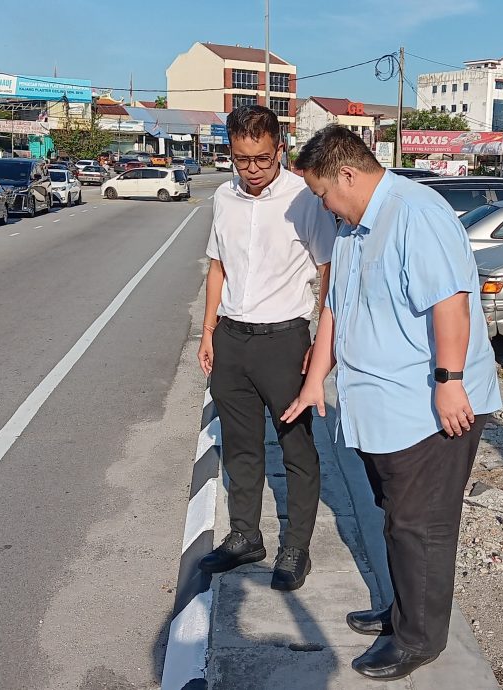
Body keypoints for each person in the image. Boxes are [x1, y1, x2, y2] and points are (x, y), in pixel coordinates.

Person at [282, 125, 502, 680]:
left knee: (420, 525)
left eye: (323, 193)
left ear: (349, 175)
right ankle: (405, 610)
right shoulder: (353, 228)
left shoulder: (415, 214)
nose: (322, 205)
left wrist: (449, 380)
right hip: (383, 409)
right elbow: (335, 305)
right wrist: (316, 379)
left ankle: (419, 639)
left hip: (428, 406)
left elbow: (450, 300)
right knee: (398, 518)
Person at [197, 106, 337, 591]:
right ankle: (244, 537)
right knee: (239, 446)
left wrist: (321, 341)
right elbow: (217, 266)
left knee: (297, 448)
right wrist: (208, 331)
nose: (252, 169)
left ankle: (296, 546)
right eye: (241, 159)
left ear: (280, 149)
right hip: (232, 338)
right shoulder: (223, 197)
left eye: (261, 158)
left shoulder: (305, 198)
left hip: (285, 340)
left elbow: (327, 271)